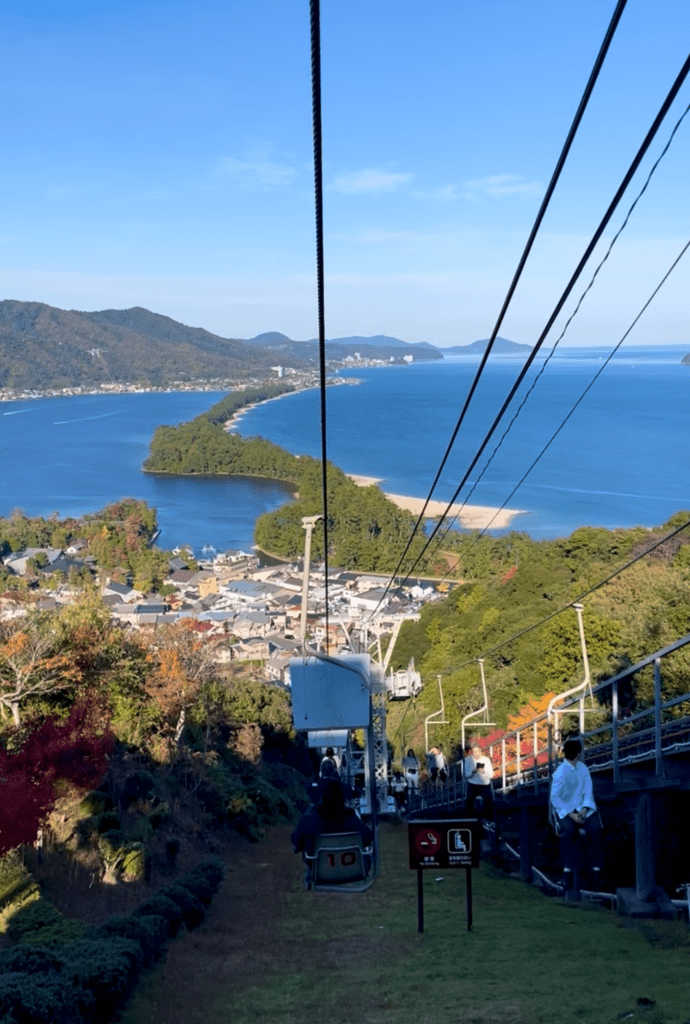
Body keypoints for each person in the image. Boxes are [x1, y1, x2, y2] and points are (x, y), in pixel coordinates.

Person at [291, 779, 374, 887]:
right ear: (343, 798)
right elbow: (368, 838)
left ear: (322, 797)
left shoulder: (310, 820)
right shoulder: (351, 819)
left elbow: (296, 840)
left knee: (309, 845)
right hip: (353, 871)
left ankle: (310, 874)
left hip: (321, 871)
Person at [550, 736, 603, 890]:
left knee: (595, 829)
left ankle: (596, 869)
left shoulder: (583, 769)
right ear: (578, 753)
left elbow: (588, 791)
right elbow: (555, 797)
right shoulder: (560, 772)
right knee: (569, 830)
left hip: (583, 808)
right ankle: (567, 870)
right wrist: (571, 814)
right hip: (566, 810)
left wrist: (585, 809)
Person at [464, 743, 494, 819]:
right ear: (472, 752)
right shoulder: (467, 760)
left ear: (481, 751)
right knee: (469, 800)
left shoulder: (486, 759)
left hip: (484, 783)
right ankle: (470, 819)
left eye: (478, 751)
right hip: (472, 783)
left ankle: (489, 819)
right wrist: (474, 771)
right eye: (474, 751)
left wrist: (483, 771)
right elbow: (466, 775)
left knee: (488, 800)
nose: (476, 753)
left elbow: (491, 774)